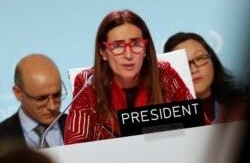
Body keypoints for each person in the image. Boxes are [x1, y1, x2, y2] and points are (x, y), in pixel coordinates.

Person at [64, 9, 193, 145]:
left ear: (145, 48)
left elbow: (202, 130)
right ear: (103, 52)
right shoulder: (88, 83)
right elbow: (74, 147)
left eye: (136, 44)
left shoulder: (164, 75)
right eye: (118, 46)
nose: (129, 55)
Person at [163, 32, 247, 125]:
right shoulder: (164, 116)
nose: (193, 69)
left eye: (199, 58)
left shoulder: (241, 105)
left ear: (213, 61)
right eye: (184, 63)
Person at [0, 54, 67, 149]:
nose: (52, 106)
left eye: (57, 95)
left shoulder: (80, 127)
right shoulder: (2, 137)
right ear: (18, 93)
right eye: (41, 98)